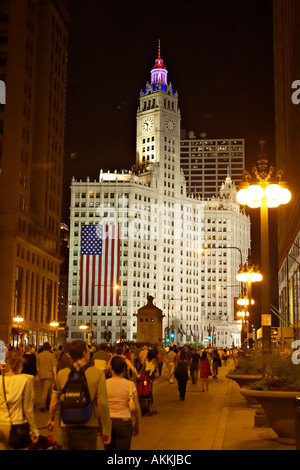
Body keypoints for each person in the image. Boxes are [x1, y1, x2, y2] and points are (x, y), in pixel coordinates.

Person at [47, 340, 111, 450]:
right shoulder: (97, 374)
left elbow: (54, 400)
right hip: (88, 425)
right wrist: (105, 429)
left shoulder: (62, 374)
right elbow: (102, 404)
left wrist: (51, 419)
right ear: (84, 354)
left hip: (66, 425)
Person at [0, 349, 39, 450]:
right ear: (21, 362)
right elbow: (28, 409)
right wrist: (34, 430)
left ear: (7, 362)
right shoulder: (25, 381)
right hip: (17, 425)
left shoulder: (0, 379)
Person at [105, 356, 141, 450]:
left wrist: (99, 425)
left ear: (111, 368)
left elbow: (99, 405)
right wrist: (136, 424)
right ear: (124, 369)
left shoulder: (104, 384)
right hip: (124, 422)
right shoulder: (130, 385)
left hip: (107, 422)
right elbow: (137, 408)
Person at [36, 342, 57, 412]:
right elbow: (54, 366)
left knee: (44, 390)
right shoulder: (52, 355)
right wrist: (55, 375)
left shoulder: (39, 355)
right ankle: (43, 405)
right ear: (49, 348)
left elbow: (37, 366)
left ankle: (47, 404)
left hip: (41, 375)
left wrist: (38, 374)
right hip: (49, 375)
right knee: (47, 391)